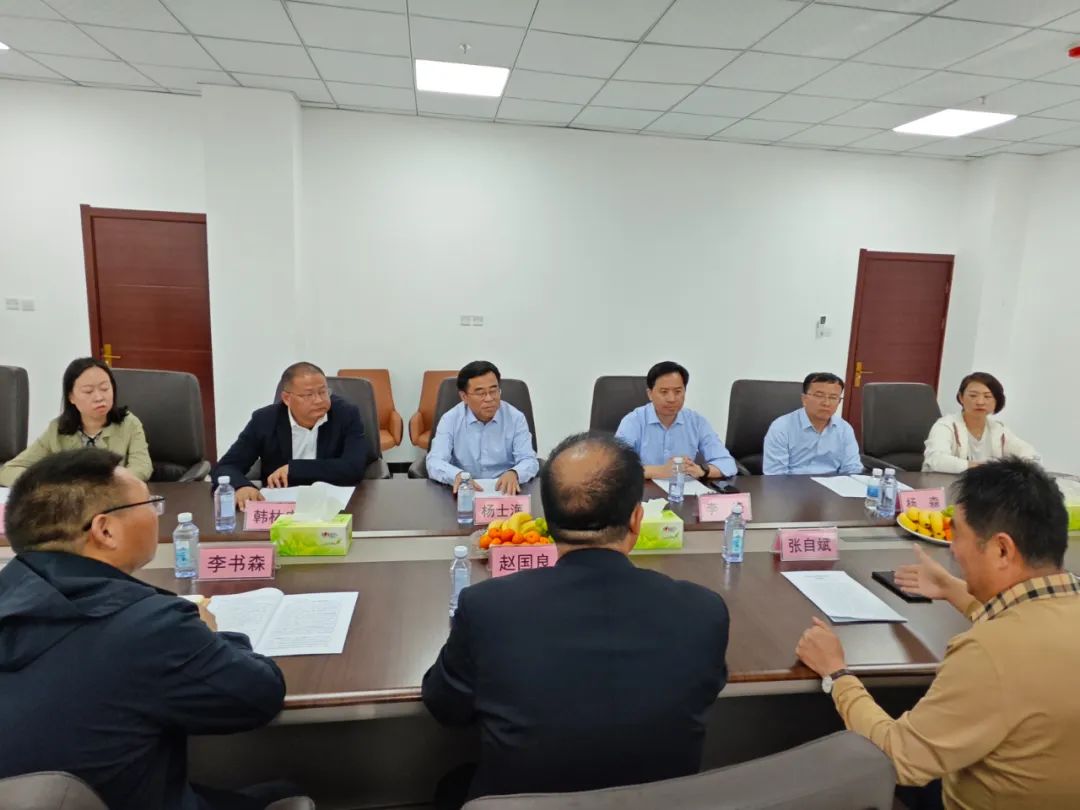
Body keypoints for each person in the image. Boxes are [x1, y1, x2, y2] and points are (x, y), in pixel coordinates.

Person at [422, 432, 729, 805]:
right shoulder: (704, 612)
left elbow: (445, 706)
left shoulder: (486, 608)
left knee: (450, 785)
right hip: (658, 802)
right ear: (637, 519)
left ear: (547, 521)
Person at [0, 450, 303, 810]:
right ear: (105, 530)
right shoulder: (149, 625)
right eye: (150, 503)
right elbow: (260, 694)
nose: (157, 513)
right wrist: (208, 633)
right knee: (285, 793)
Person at [796, 458, 1080, 810]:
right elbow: (1025, 617)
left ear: (1002, 549)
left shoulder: (987, 652)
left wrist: (837, 674)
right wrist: (952, 588)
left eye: (957, 533)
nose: (953, 549)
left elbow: (897, 758)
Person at [213, 361, 369, 511]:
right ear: (287, 398)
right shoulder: (264, 420)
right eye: (308, 395)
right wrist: (241, 486)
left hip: (333, 504)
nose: (319, 400)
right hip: (282, 508)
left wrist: (295, 469)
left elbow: (353, 467)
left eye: (323, 392)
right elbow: (227, 466)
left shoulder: (346, 414)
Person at [0, 357, 151, 486]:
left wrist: (105, 483)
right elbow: (9, 470)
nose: (99, 397)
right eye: (88, 391)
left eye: (105, 388)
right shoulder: (57, 430)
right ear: (71, 397)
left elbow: (142, 468)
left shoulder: (129, 423)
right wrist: (50, 481)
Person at [426, 361, 539, 496]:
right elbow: (435, 461)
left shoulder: (515, 418)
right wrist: (456, 475)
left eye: (493, 390)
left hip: (504, 491)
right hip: (465, 491)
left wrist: (515, 473)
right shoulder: (450, 419)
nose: (489, 398)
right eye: (481, 393)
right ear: (464, 397)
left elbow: (529, 459)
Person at [615, 361, 737, 480]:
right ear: (650, 394)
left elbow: (728, 463)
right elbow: (615, 467)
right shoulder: (633, 421)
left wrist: (702, 470)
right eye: (664, 392)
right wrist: (660, 471)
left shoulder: (696, 422)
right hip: (644, 490)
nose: (672, 399)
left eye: (678, 391)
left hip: (684, 490)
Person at [923, 372, 1038, 473]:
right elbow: (935, 459)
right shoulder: (946, 425)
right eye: (973, 396)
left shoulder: (998, 429)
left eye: (987, 396)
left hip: (985, 487)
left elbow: (1031, 456)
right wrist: (984, 468)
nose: (980, 402)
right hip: (946, 485)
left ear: (997, 401)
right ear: (961, 397)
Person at [762, 372, 862, 476]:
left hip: (833, 484)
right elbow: (775, 475)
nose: (826, 403)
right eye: (819, 396)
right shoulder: (781, 427)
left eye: (833, 397)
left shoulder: (844, 429)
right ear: (804, 399)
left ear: (839, 402)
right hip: (793, 484)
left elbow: (852, 469)